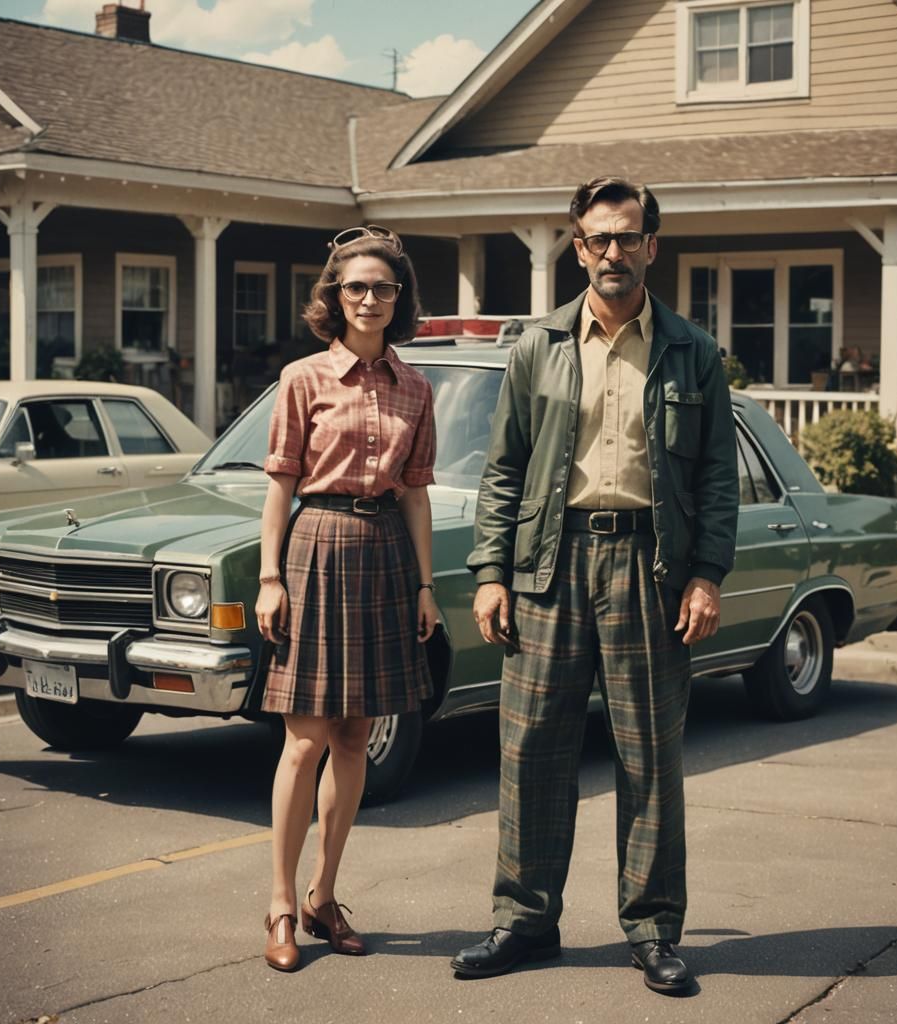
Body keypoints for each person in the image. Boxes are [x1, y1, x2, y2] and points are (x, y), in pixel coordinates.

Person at [452, 177, 739, 994]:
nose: (612, 252)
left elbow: (718, 479)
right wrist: (490, 573)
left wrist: (707, 576)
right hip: (550, 564)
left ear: (653, 243)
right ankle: (524, 920)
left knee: (650, 755)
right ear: (576, 248)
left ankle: (652, 930)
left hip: (651, 568)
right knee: (532, 748)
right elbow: (502, 469)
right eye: (596, 239)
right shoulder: (537, 346)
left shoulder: (692, 350)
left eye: (627, 236)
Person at [257, 225, 438, 971]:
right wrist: (270, 577)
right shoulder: (302, 379)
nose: (369, 298)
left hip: (385, 552)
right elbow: (279, 483)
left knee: (357, 736)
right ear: (335, 297)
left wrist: (426, 584)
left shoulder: (416, 387)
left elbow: (419, 495)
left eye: (383, 288)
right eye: (356, 287)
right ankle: (278, 903)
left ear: (400, 300)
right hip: (317, 549)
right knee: (304, 740)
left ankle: (324, 896)